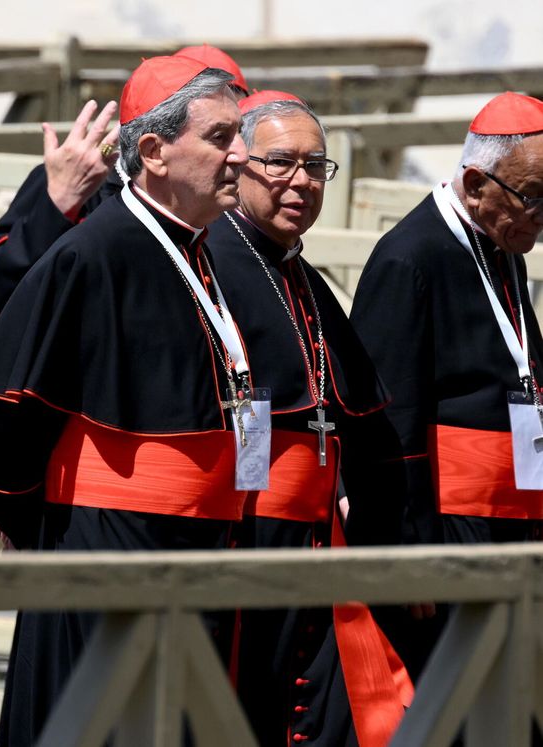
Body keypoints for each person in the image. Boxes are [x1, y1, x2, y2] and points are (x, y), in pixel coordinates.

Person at [0, 56, 250, 745]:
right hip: (110, 550)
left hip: (201, 543)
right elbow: (10, 415)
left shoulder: (202, 247)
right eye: (220, 137)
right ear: (152, 151)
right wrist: (41, 531)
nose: (241, 153)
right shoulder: (91, 253)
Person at [207, 91, 411, 746]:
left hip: (317, 537)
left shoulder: (299, 271)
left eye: (316, 166)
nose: (302, 180)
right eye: (282, 163)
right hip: (245, 538)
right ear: (235, 167)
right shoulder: (209, 258)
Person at [350, 92, 543, 685]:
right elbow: (390, 422)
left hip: (508, 516)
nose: (540, 215)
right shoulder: (409, 258)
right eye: (532, 197)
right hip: (449, 523)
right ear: (476, 181)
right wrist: (411, 554)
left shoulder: (500, 238)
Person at [0, 45, 248, 318]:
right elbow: (1, 292)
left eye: (239, 129)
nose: (240, 154)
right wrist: (60, 202)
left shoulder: (234, 189)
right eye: (218, 135)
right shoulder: (79, 180)